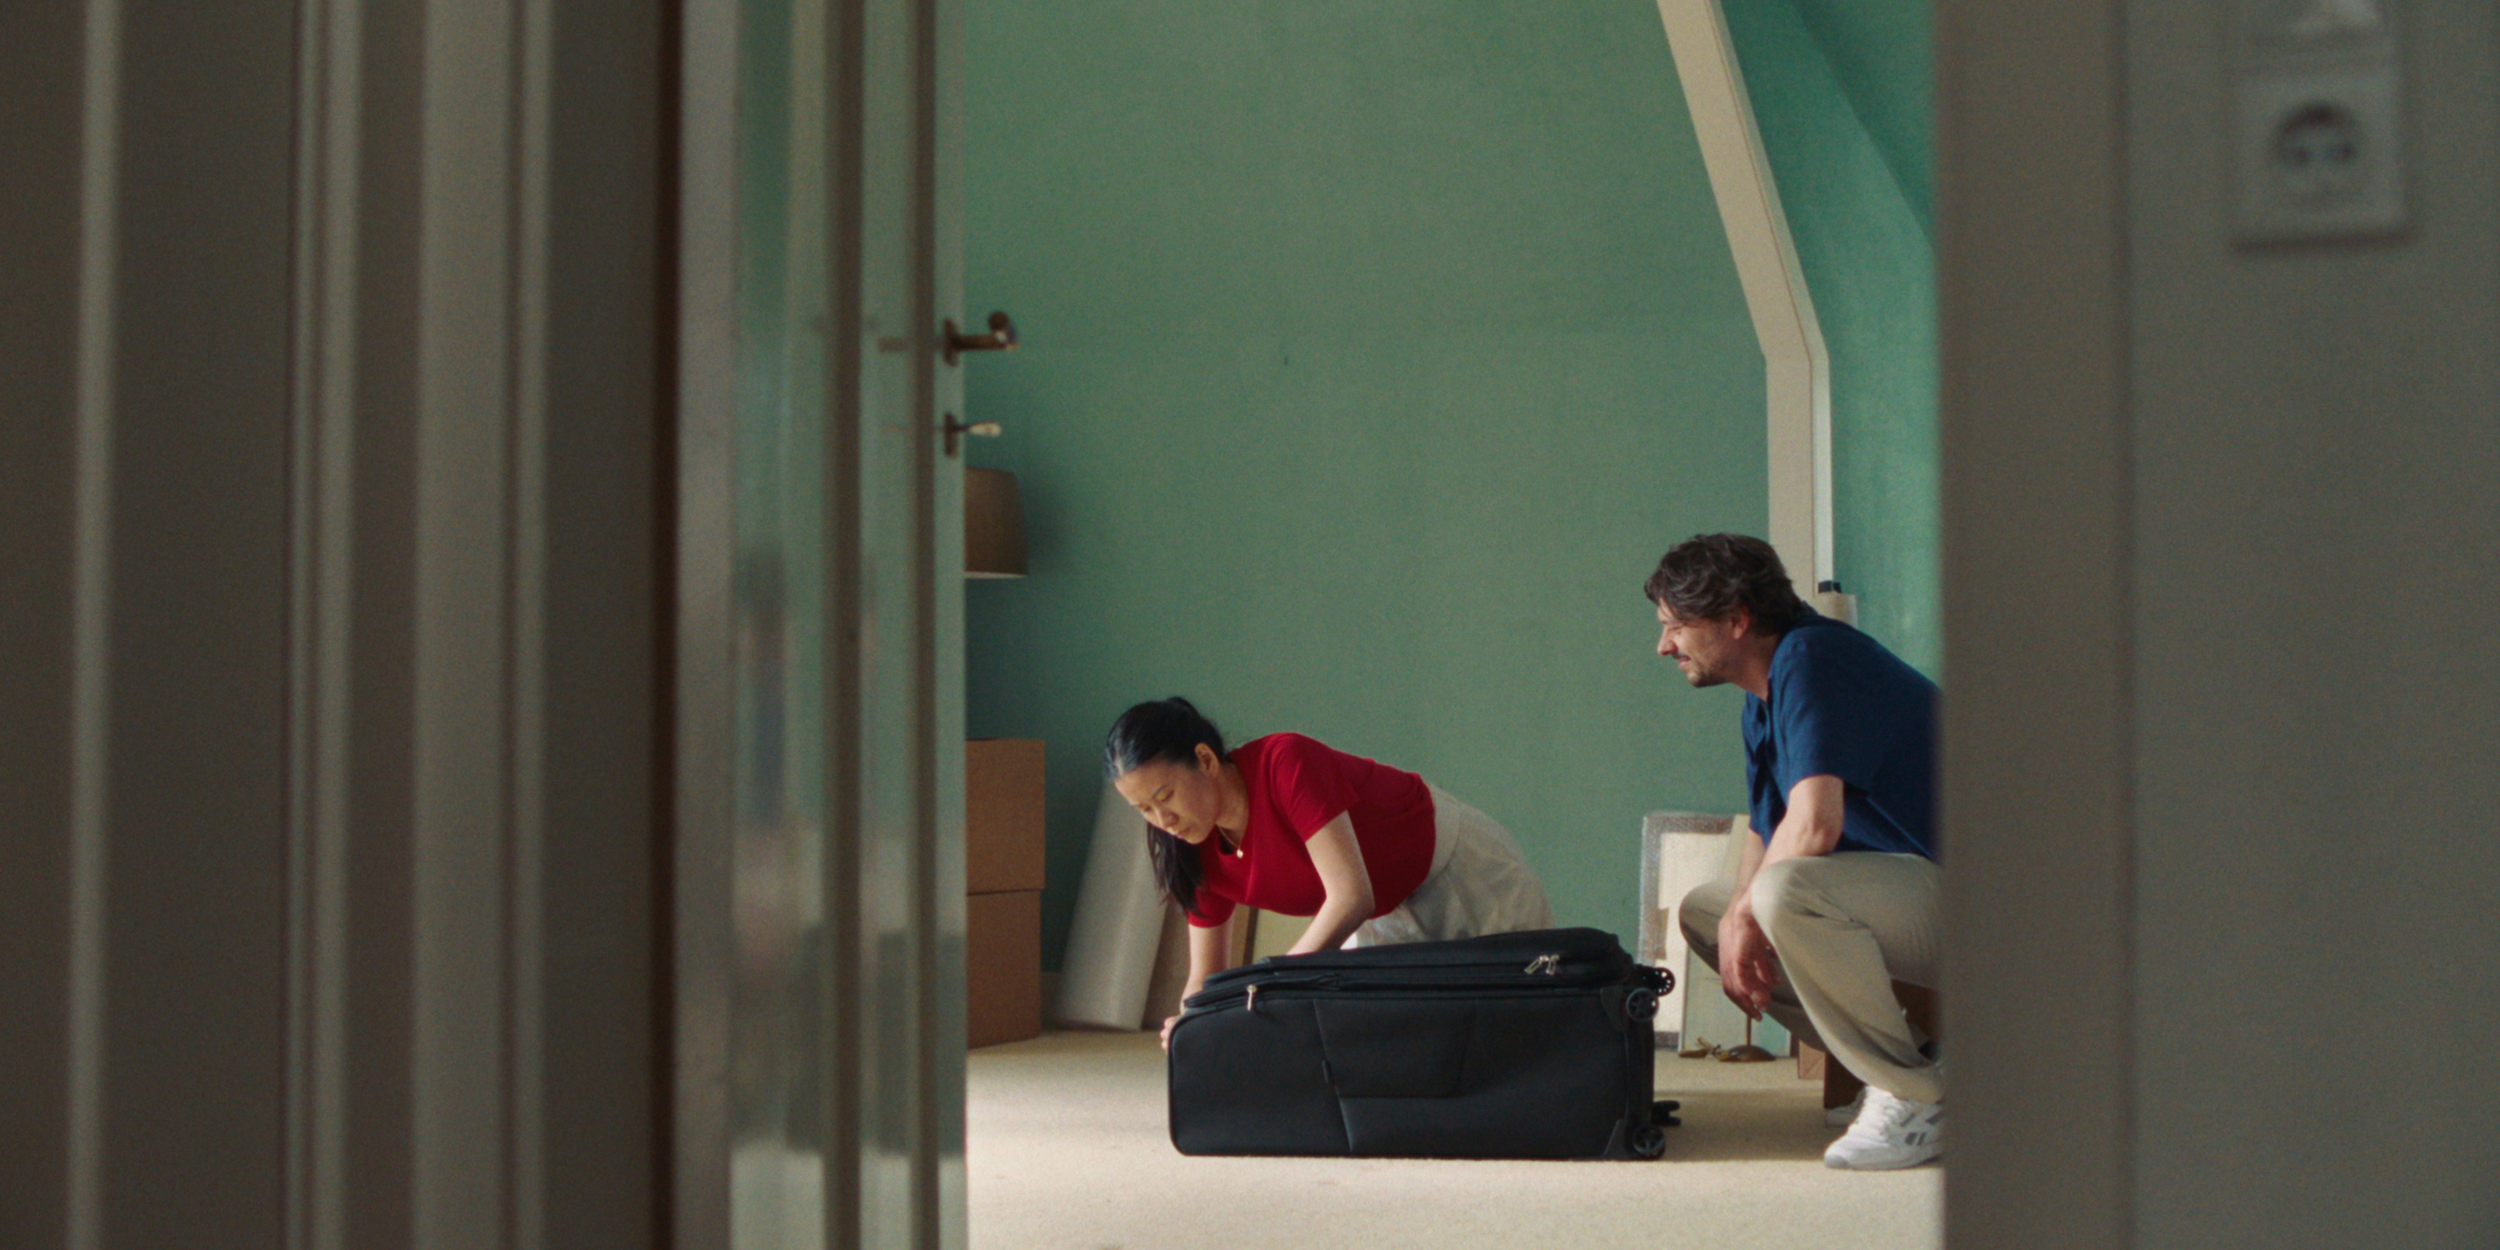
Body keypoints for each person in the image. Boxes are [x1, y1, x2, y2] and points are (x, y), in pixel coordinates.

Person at [1646, 533, 1945, 1171]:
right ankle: (1921, 1060)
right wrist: (1735, 916)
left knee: (1781, 893)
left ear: (1736, 619)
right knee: (1707, 911)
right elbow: (1767, 828)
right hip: (1915, 897)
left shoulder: (1812, 659)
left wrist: (1749, 912)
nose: (1664, 646)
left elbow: (1813, 827)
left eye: (1675, 627)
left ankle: (1916, 1095)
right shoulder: (1763, 695)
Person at [1104, 697, 1552, 1048]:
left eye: (1165, 796)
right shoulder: (1195, 851)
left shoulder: (1285, 761)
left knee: (1531, 1017)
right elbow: (1203, 977)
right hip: (1383, 913)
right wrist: (1192, 1026)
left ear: (1204, 759)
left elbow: (1350, 896)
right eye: (1143, 809)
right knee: (1417, 1047)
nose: (1163, 820)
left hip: (1456, 867)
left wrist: (1266, 986)